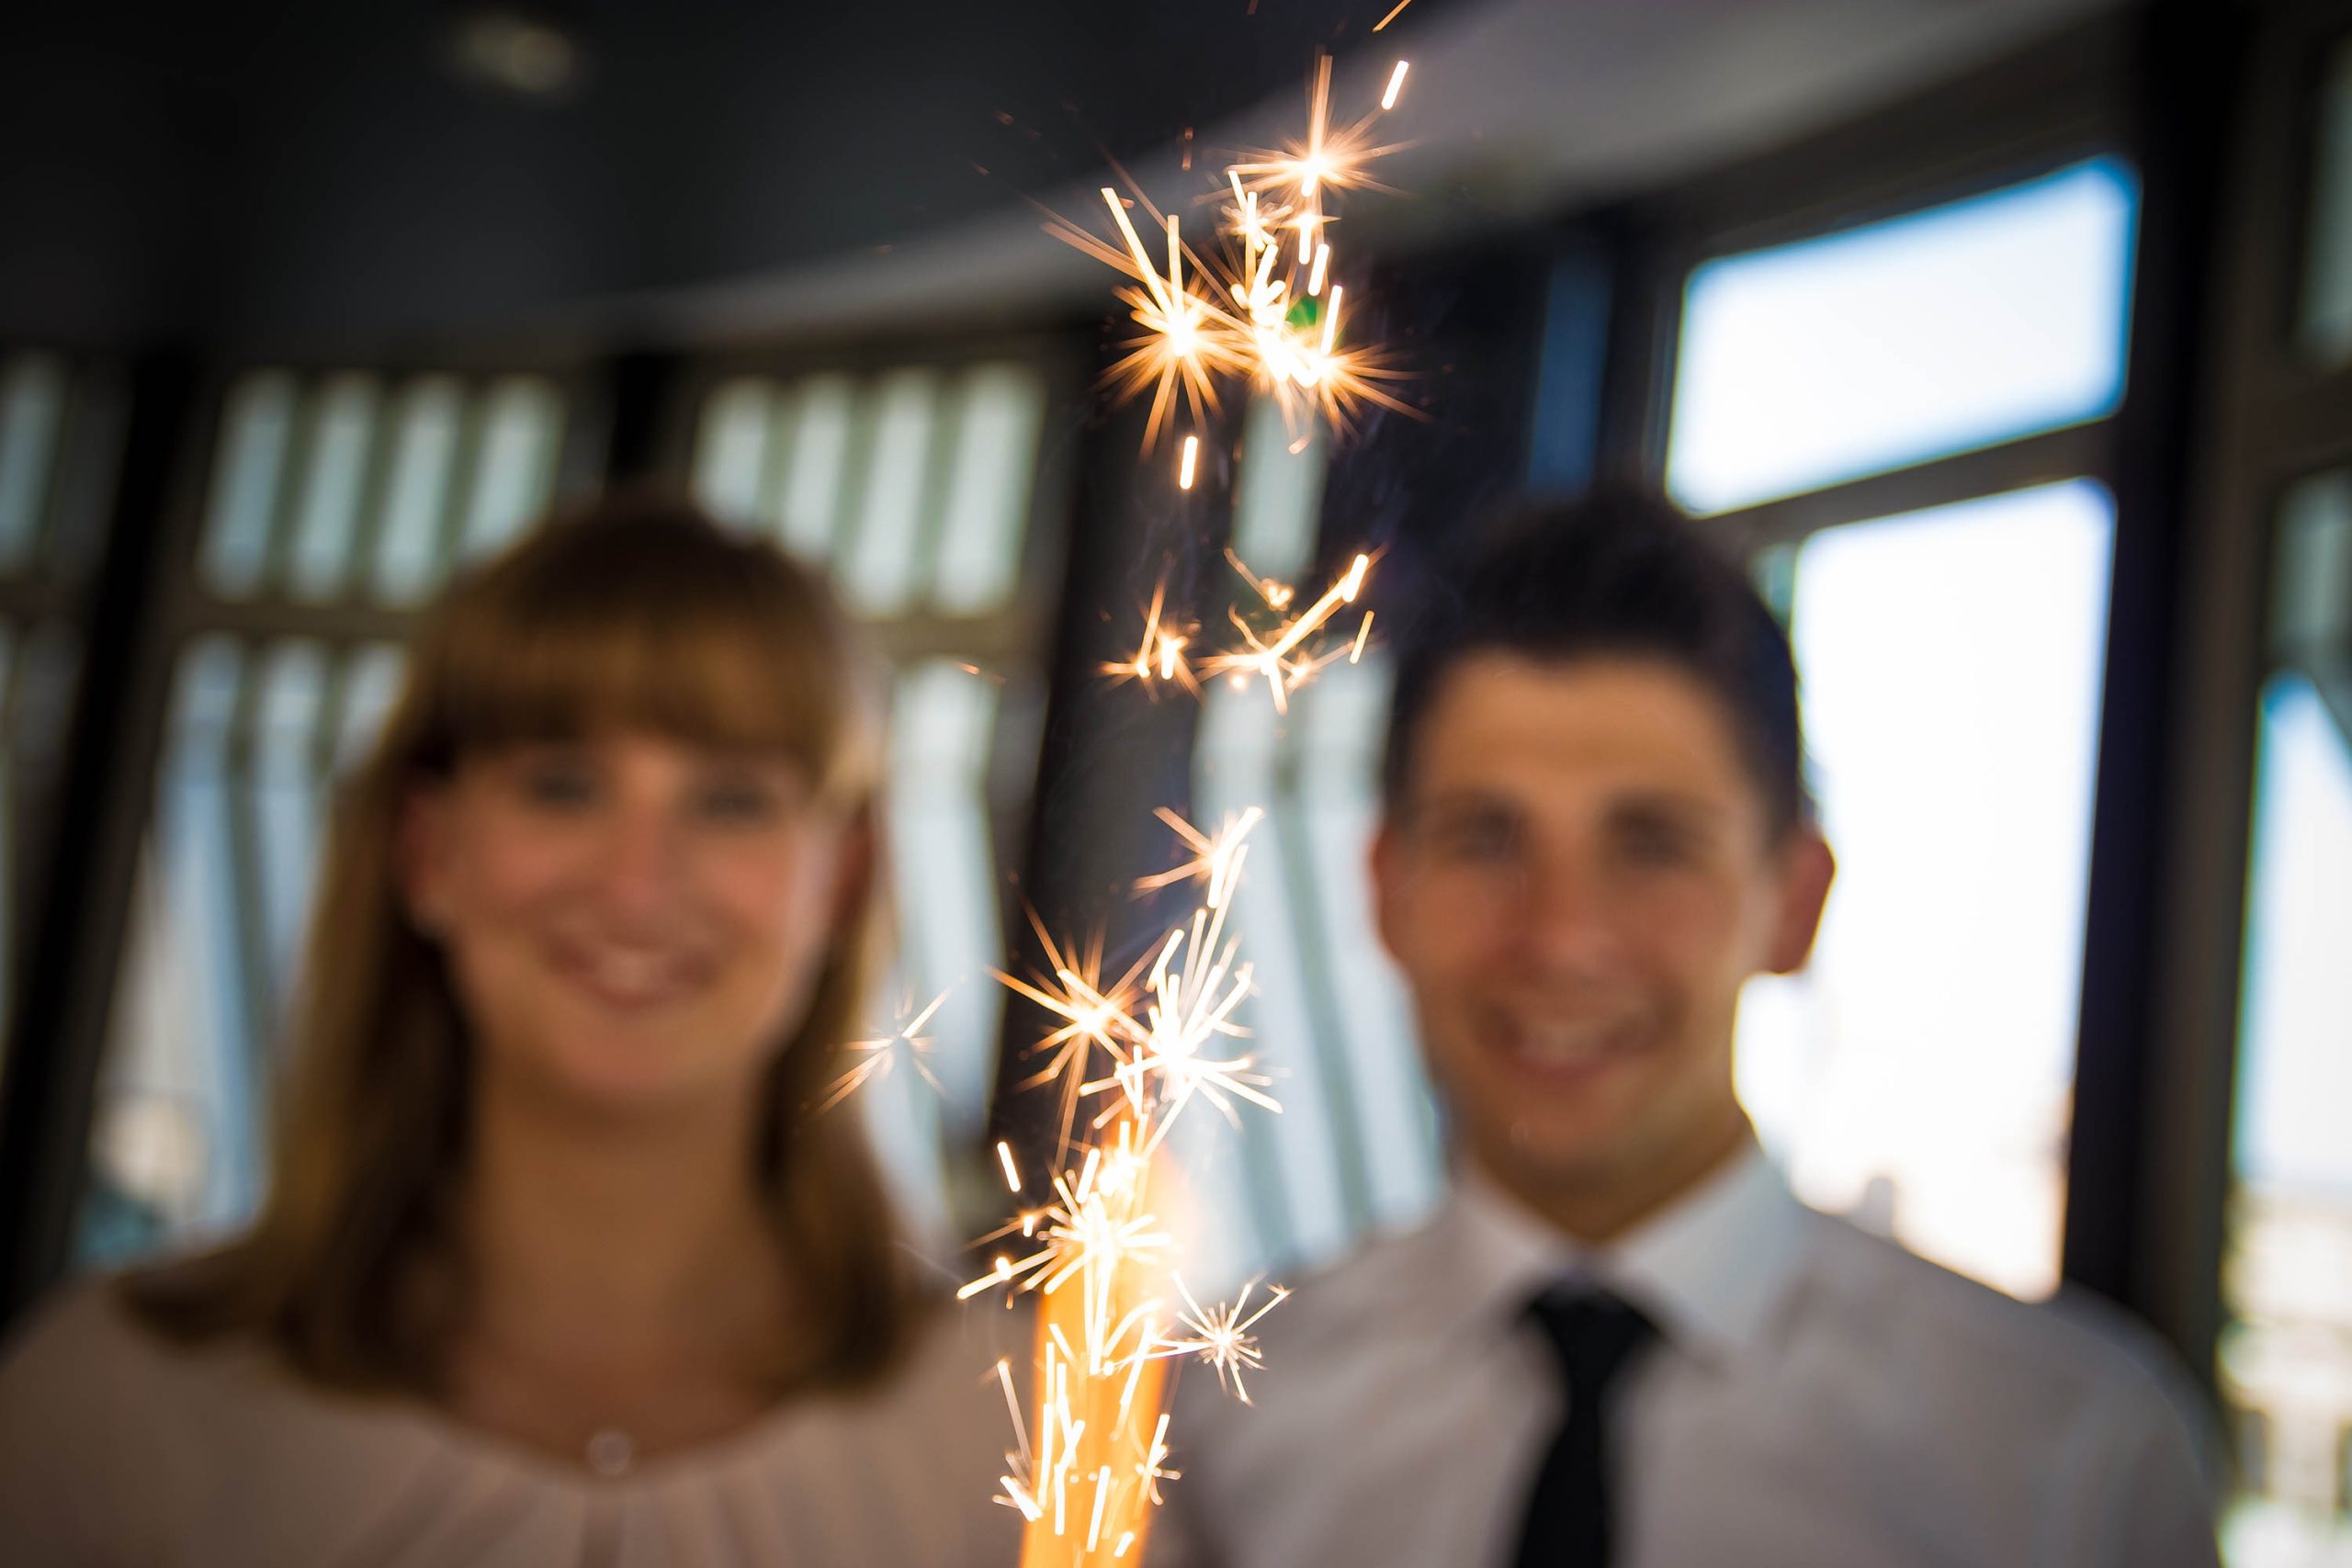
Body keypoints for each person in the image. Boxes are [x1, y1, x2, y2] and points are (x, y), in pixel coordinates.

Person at [1158, 491, 2222, 1567]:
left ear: (1794, 902)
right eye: (1484, 838)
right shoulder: (1224, 1421)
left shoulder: (2065, 1461)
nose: (1561, 937)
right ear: (1385, 890)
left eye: (1652, 846)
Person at [0, 497, 1023, 1566]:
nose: (636, 886)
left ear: (841, 878)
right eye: (562, 786)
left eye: (728, 802)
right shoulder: (107, 1416)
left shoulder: (1026, 1444)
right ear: (427, 850)